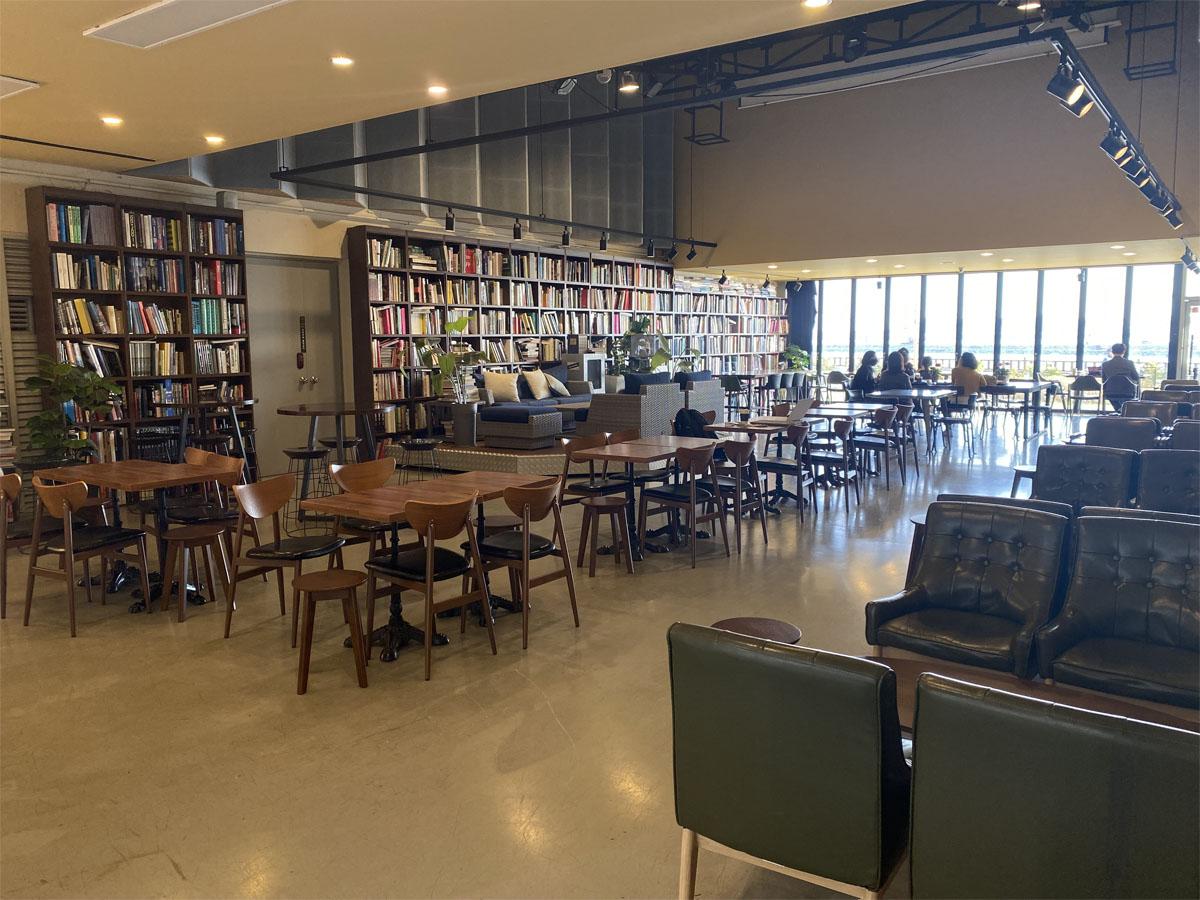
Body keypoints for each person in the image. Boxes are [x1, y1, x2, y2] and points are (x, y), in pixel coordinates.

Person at [1100, 342, 1140, 410]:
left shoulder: (1105, 364)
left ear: (1112, 351)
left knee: (1115, 399)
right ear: (1124, 351)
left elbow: (1104, 380)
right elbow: (1136, 377)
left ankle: (1119, 410)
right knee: (1135, 388)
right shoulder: (1129, 363)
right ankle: (1123, 411)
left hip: (1110, 392)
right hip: (1128, 392)